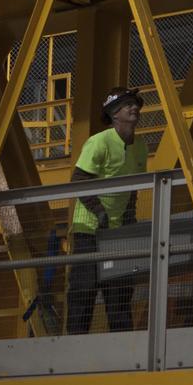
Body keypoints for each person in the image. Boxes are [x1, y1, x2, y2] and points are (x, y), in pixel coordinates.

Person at [67, 87, 148, 334]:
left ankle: (122, 346)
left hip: (117, 232)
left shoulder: (140, 146)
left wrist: (129, 218)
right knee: (85, 287)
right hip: (89, 229)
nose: (134, 108)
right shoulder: (99, 142)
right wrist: (99, 212)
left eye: (135, 104)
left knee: (120, 288)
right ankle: (75, 343)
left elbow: (134, 188)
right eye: (127, 105)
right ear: (114, 114)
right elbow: (79, 180)